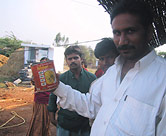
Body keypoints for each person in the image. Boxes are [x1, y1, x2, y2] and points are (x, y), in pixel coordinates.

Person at [50, 0, 166, 135]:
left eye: (130, 31)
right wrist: (57, 86)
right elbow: (91, 105)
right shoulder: (112, 72)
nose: (122, 41)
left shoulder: (162, 79)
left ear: (149, 32)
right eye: (117, 33)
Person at [47, 45, 96, 136]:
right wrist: (52, 118)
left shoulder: (92, 78)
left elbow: (96, 101)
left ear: (81, 59)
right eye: (70, 59)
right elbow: (52, 98)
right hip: (65, 124)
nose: (73, 61)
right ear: (66, 61)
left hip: (84, 126)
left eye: (75, 58)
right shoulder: (61, 79)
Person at [26, 57, 51, 136]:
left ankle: (44, 133)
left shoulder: (50, 73)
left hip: (47, 100)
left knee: (46, 121)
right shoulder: (36, 73)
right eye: (42, 63)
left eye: (45, 63)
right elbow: (33, 82)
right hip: (39, 100)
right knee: (38, 120)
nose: (43, 65)